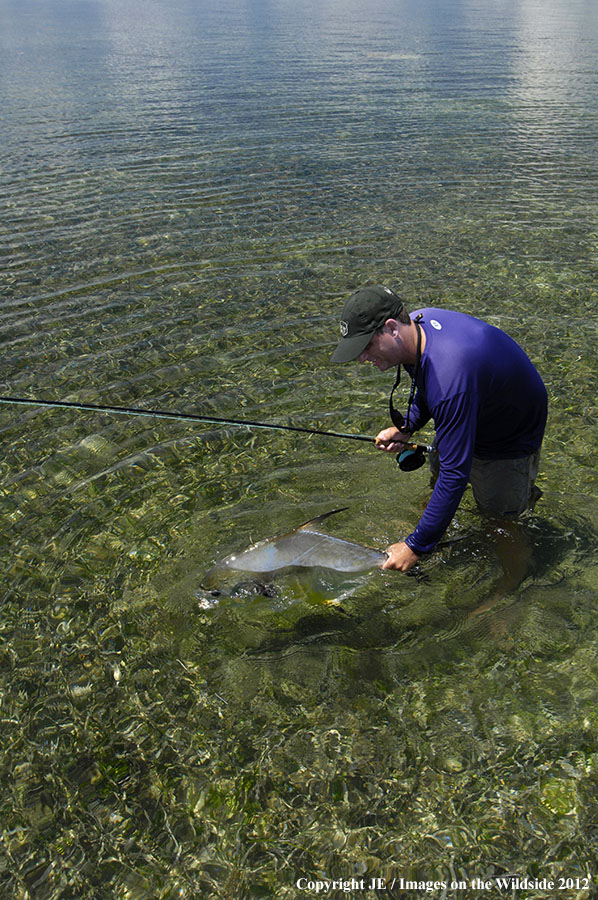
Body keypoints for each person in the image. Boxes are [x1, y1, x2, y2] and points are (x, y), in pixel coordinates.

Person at [331, 284, 548, 572]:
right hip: (471, 404)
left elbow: (455, 473)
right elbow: (427, 386)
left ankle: (512, 588)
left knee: (501, 523)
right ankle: (435, 525)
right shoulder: (417, 330)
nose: (362, 358)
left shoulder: (451, 376)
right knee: (440, 480)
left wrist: (415, 547)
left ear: (392, 328)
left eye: (366, 346)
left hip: (507, 438)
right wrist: (407, 426)